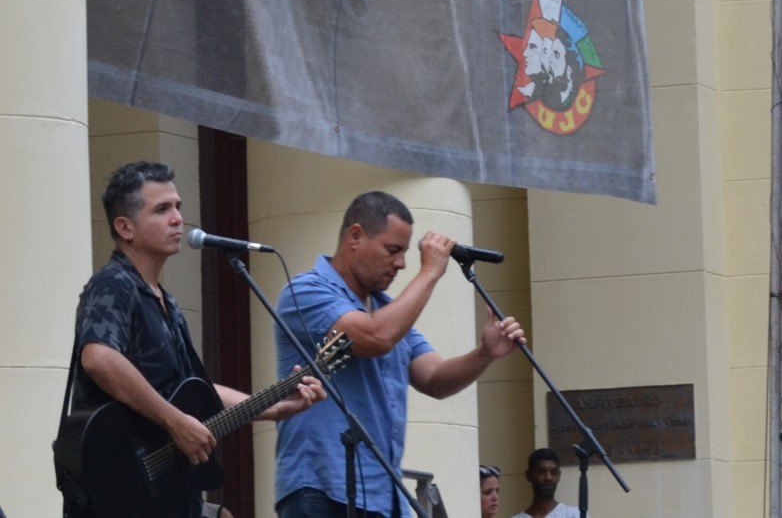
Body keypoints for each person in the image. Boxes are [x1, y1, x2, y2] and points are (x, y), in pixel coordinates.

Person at [68, 161, 326, 518]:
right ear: (125, 227)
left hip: (168, 496)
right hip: (119, 492)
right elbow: (99, 358)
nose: (177, 218)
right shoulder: (114, 284)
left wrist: (274, 407)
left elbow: (200, 390)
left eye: (178, 207)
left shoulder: (166, 302)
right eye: (162, 209)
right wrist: (175, 421)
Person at [273, 190, 526, 518]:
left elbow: (434, 378)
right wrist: (430, 272)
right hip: (322, 490)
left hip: (383, 494)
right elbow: (376, 337)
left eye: (405, 252)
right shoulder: (305, 292)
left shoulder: (386, 310)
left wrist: (485, 353)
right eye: (392, 250)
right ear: (355, 236)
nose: (401, 263)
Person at [510, 448, 581, 518]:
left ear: (559, 476)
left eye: (553, 473)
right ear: (528, 475)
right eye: (541, 472)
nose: (548, 478)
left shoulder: (575, 515)